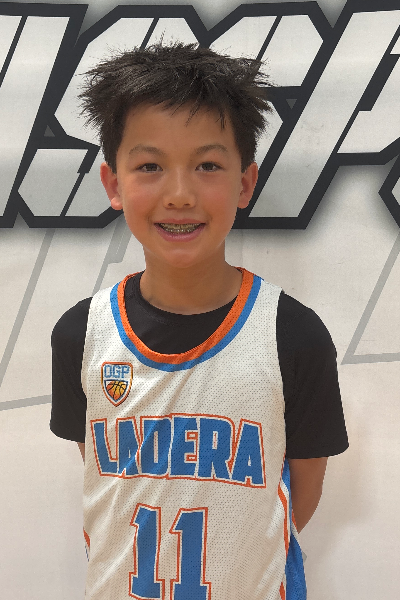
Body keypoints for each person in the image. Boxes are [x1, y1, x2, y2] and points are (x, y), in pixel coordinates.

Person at [50, 42, 348, 600]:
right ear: (113, 184)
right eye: (150, 166)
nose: (180, 194)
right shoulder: (81, 334)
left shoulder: (294, 336)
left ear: (245, 183)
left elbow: (296, 498)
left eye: (208, 165)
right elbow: (107, 480)